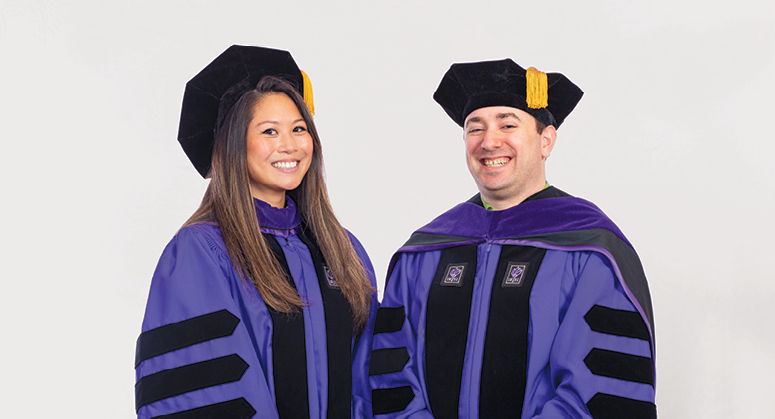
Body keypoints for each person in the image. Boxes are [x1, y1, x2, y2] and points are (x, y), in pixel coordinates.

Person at [368, 59, 656, 418]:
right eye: (476, 128)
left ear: (546, 140)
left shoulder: (590, 250)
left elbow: (597, 391)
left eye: (508, 124)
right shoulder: (425, 252)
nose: (489, 141)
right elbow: (392, 377)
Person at [134, 45, 378, 419]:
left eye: (299, 128)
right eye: (269, 131)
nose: (290, 145)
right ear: (234, 146)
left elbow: (372, 374)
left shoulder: (341, 248)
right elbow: (205, 393)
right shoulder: (201, 252)